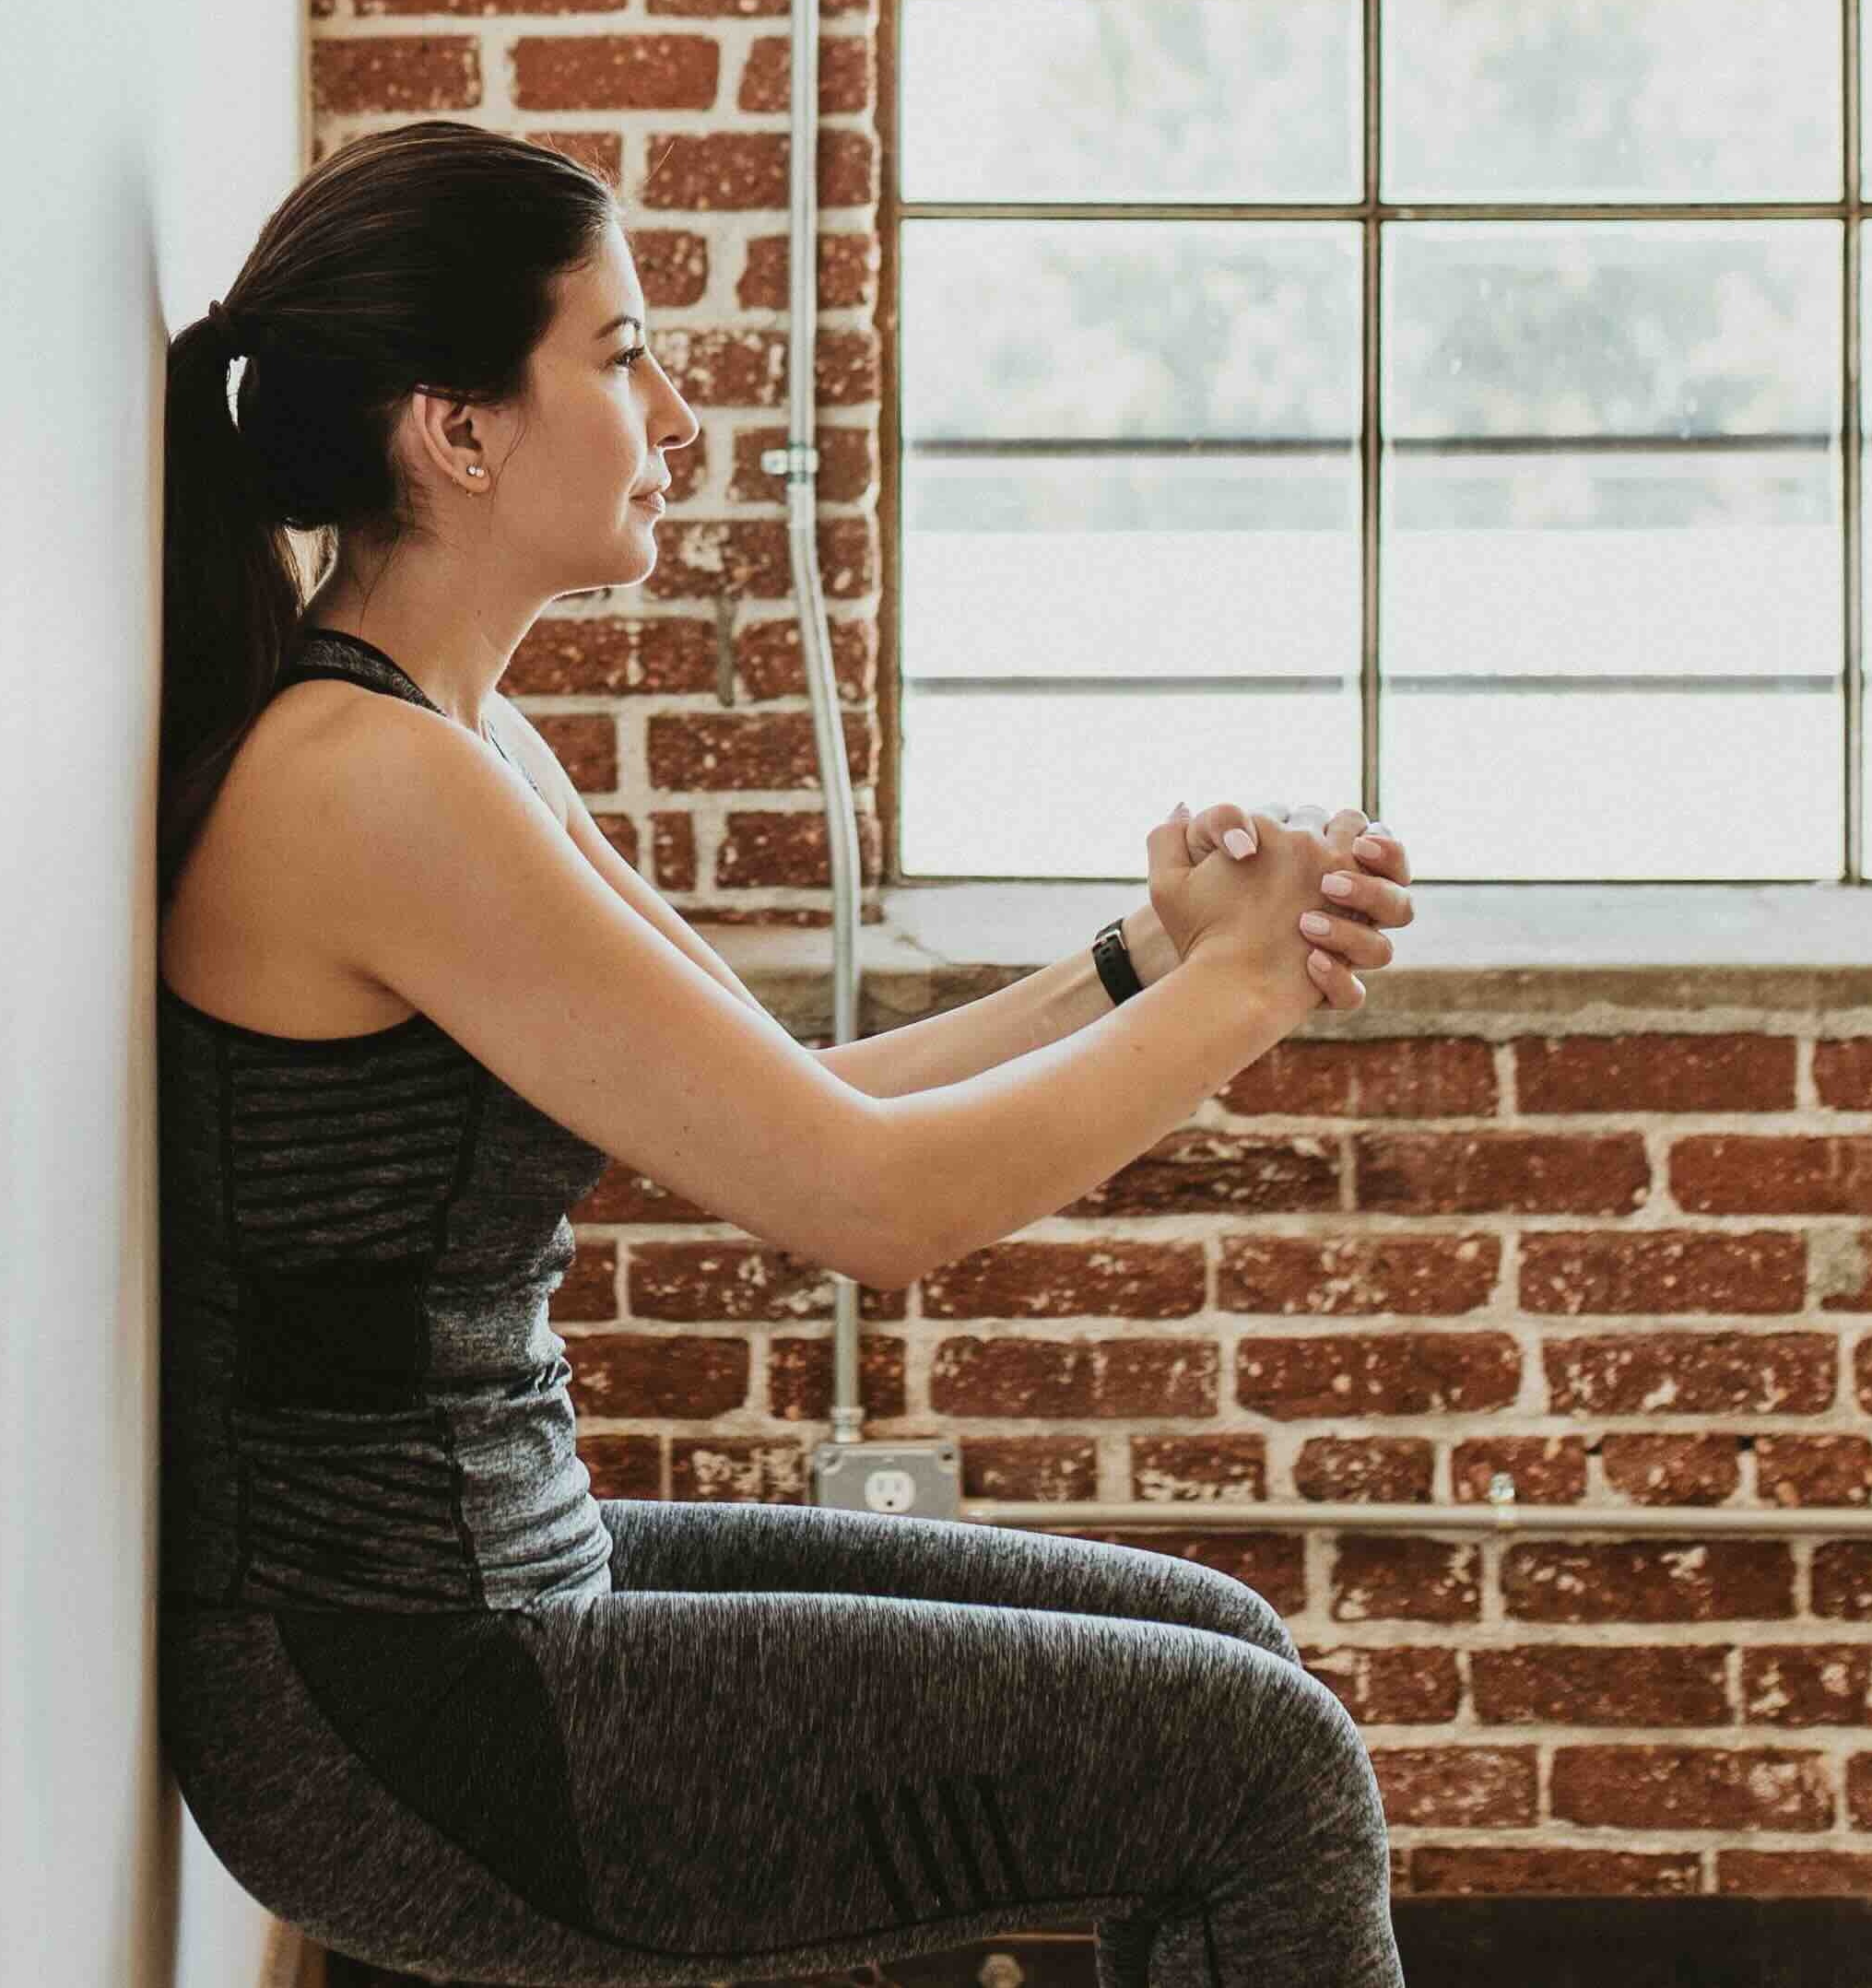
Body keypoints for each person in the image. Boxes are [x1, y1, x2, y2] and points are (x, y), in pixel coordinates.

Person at [159, 118, 1423, 1988]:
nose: (676, 416)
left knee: (1220, 1647)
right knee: (1260, 1766)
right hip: (404, 1708)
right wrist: (1244, 989)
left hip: (503, 1589)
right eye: (621, 352)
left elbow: (794, 1097)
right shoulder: (364, 784)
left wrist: (1142, 957)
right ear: (459, 430)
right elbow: (873, 1206)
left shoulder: (452, 739)